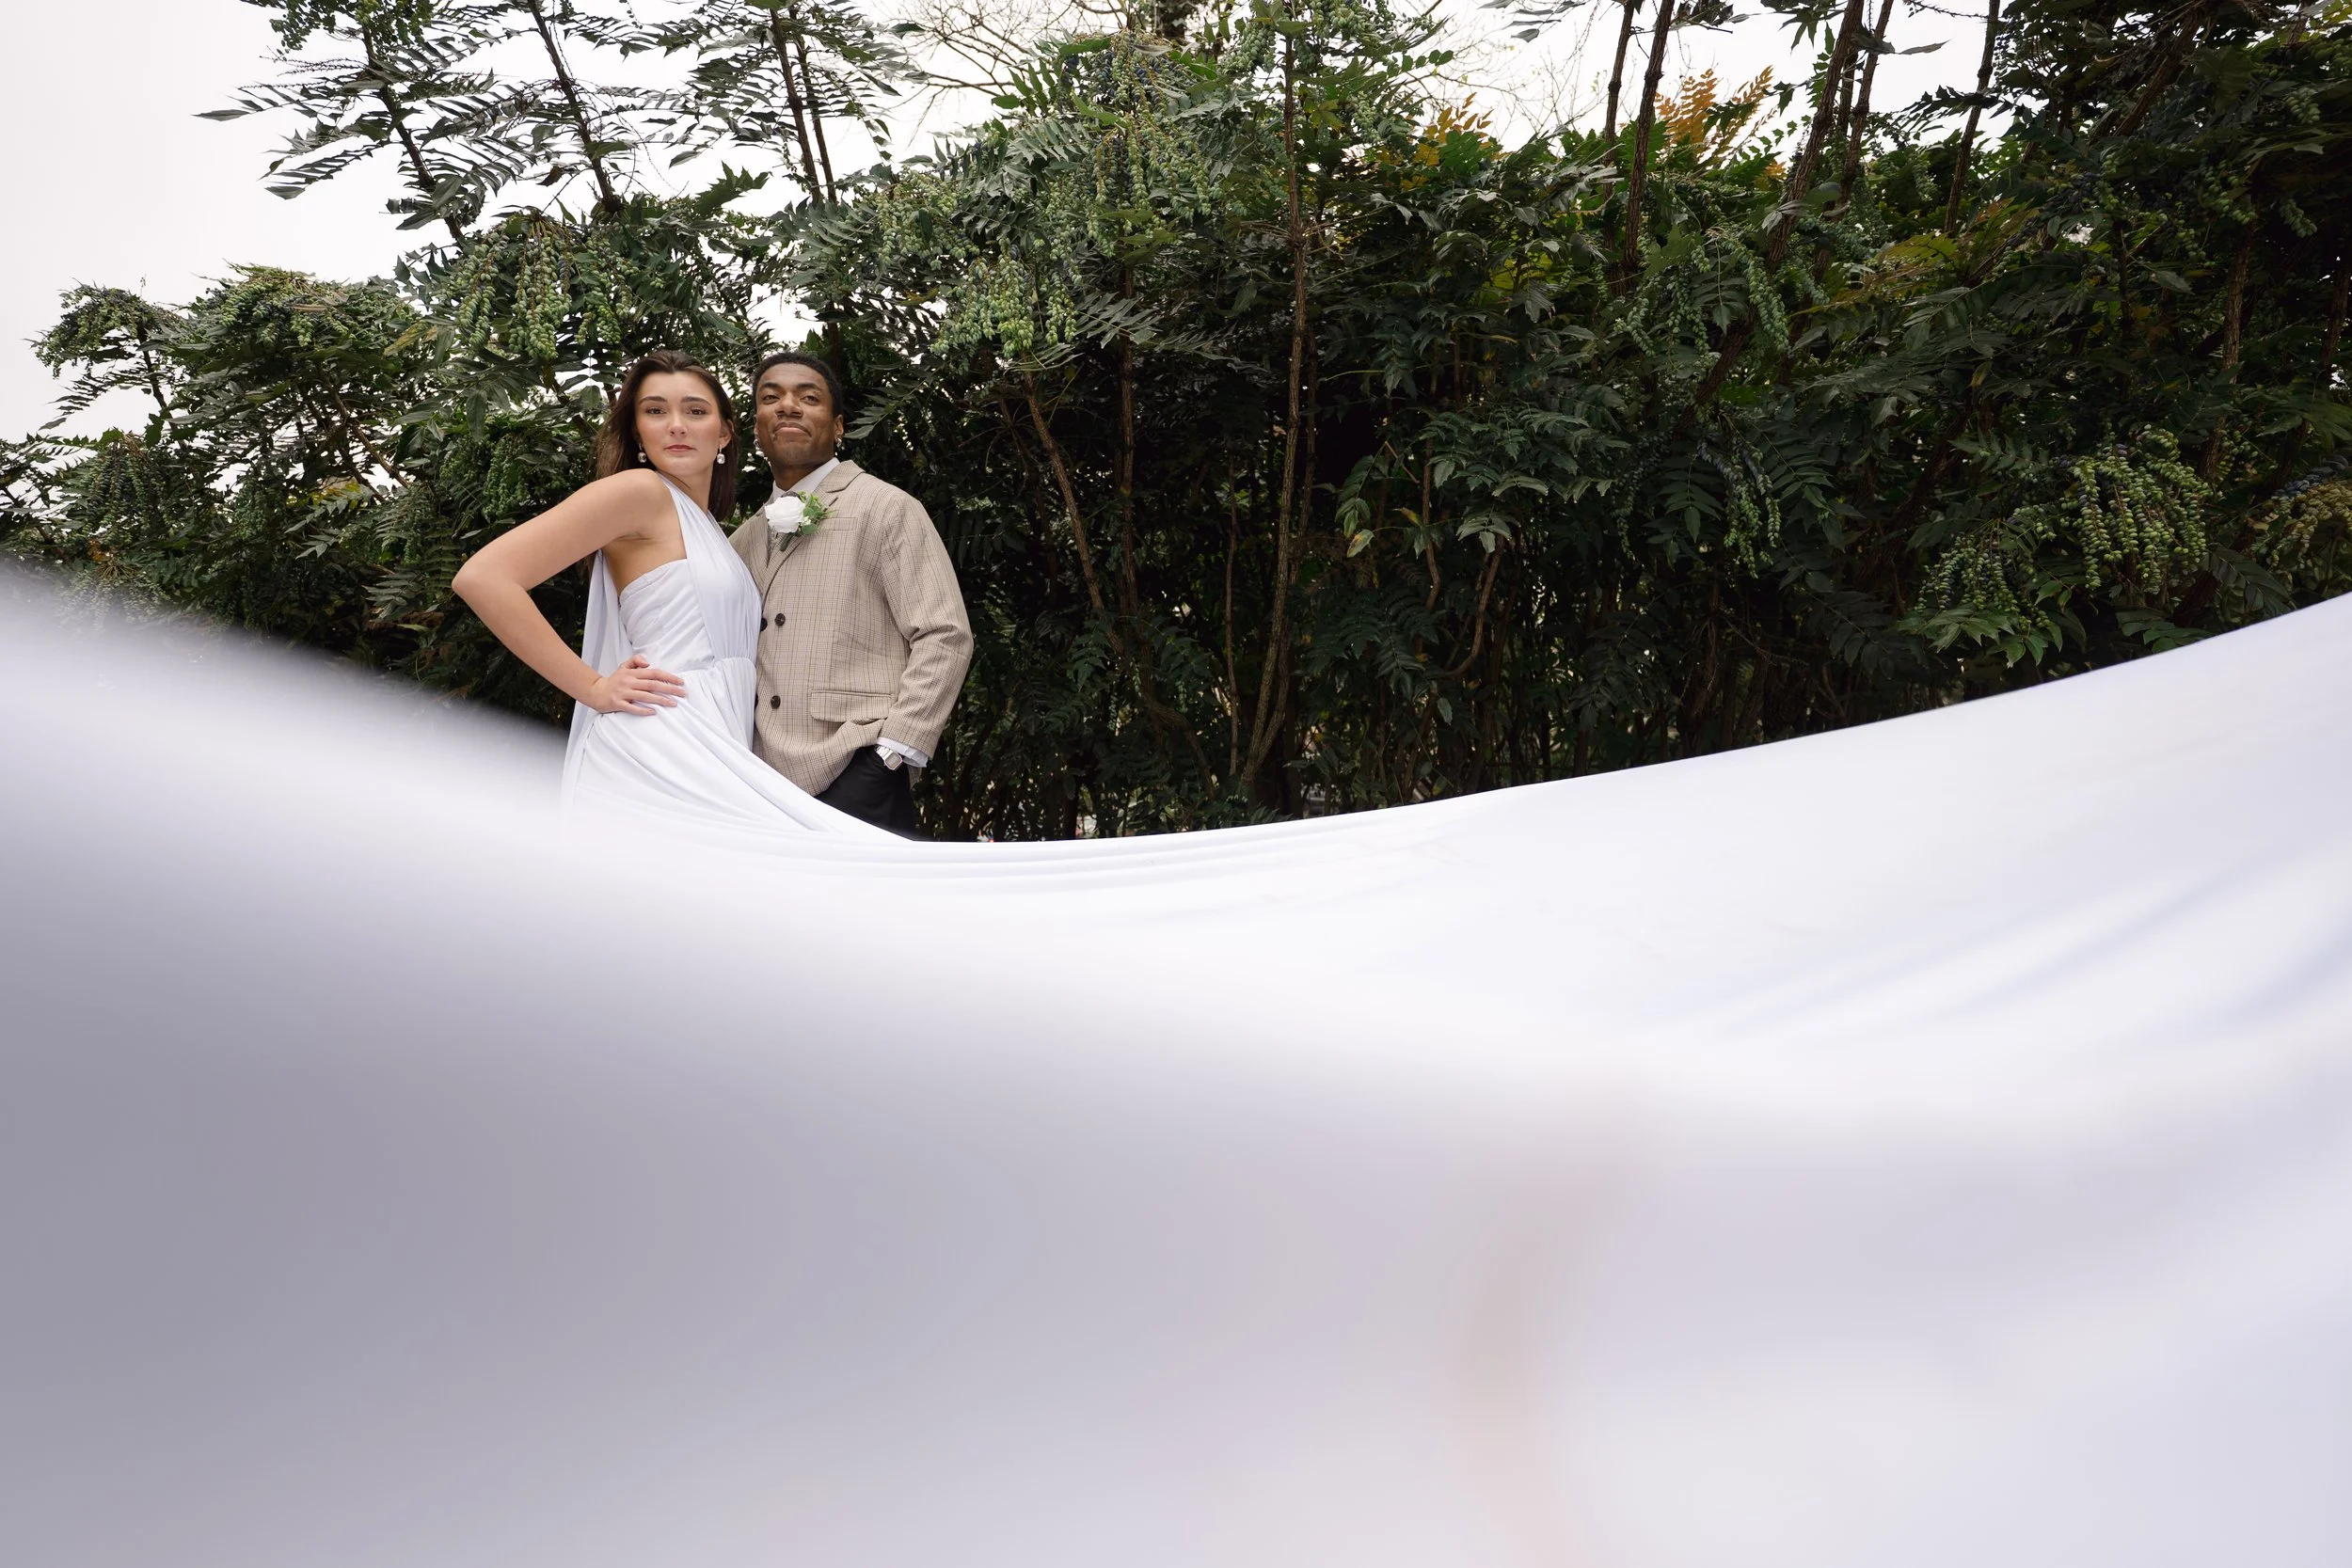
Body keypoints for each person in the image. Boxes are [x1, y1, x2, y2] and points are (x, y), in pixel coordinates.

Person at [450, 349, 882, 839]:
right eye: (655, 411)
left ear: (723, 433)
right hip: (657, 746)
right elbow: (483, 577)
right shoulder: (639, 492)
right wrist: (593, 688)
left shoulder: (711, 529)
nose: (676, 425)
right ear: (638, 432)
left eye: (695, 411)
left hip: (714, 742)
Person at [731, 352, 972, 838]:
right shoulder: (743, 540)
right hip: (759, 783)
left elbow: (944, 635)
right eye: (770, 397)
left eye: (809, 397)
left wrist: (893, 751)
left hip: (859, 766)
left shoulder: (886, 508)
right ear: (756, 428)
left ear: (838, 426)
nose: (788, 406)